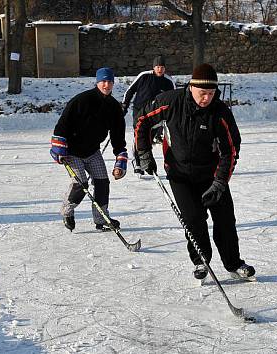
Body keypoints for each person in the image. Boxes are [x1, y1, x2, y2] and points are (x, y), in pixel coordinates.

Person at [134, 63, 255, 280]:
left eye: (211, 93)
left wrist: (219, 183)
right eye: (203, 93)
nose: (207, 98)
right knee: (193, 219)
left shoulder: (220, 112)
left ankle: (234, 263)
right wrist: (143, 153)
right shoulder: (170, 102)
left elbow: (231, 150)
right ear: (191, 87)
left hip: (211, 174)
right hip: (179, 174)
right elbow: (142, 120)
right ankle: (201, 261)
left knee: (225, 219)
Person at [50, 67, 128, 232]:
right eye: (103, 81)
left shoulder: (114, 107)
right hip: (72, 151)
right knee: (81, 184)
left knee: (102, 182)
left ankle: (101, 218)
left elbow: (118, 136)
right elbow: (63, 124)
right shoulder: (82, 100)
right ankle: (67, 210)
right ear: (97, 82)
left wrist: (120, 159)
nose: (107, 85)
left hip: (92, 151)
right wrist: (58, 148)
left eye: (110, 81)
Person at [122, 55, 176, 174]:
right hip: (139, 111)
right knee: (139, 136)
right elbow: (130, 91)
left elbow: (174, 99)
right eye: (157, 67)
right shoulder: (144, 76)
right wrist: (124, 106)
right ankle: (137, 163)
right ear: (153, 67)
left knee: (149, 138)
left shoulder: (168, 81)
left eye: (162, 67)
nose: (160, 70)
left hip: (156, 115)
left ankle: (145, 161)